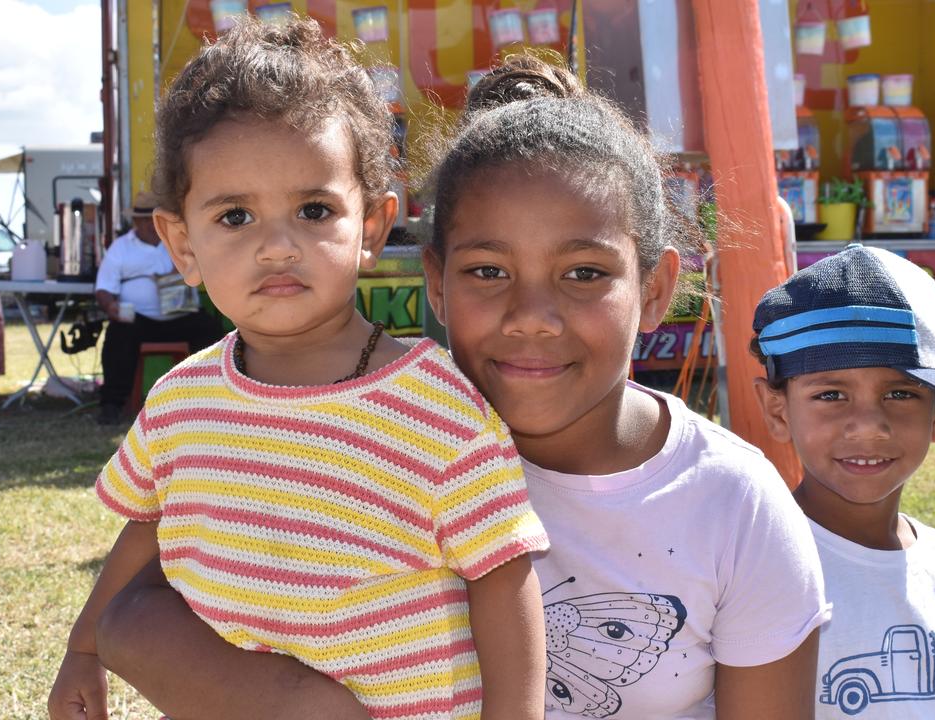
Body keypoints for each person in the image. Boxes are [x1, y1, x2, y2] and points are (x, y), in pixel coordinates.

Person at [90, 54, 830, 720]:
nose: (532, 319)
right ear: (436, 284)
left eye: (584, 273)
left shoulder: (735, 505)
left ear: (657, 287)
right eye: (487, 272)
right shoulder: (358, 432)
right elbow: (138, 615)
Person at [48, 17, 550, 720]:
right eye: (234, 217)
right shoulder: (180, 402)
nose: (278, 246)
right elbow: (145, 525)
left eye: (314, 210)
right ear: (180, 243)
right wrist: (82, 651)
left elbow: (503, 578)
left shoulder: (438, 405)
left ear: (371, 228)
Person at [750, 244, 935, 719]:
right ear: (777, 410)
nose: (869, 425)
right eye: (831, 394)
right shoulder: (753, 566)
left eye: (900, 393)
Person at [94, 191, 223, 425]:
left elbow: (206, 268)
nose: (151, 226)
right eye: (145, 221)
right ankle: (111, 404)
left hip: (179, 316)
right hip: (139, 319)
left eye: (155, 221)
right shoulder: (121, 248)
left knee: (208, 328)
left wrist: (183, 272)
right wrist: (111, 306)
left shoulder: (181, 242)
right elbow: (104, 288)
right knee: (117, 334)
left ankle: (212, 399)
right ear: (136, 222)